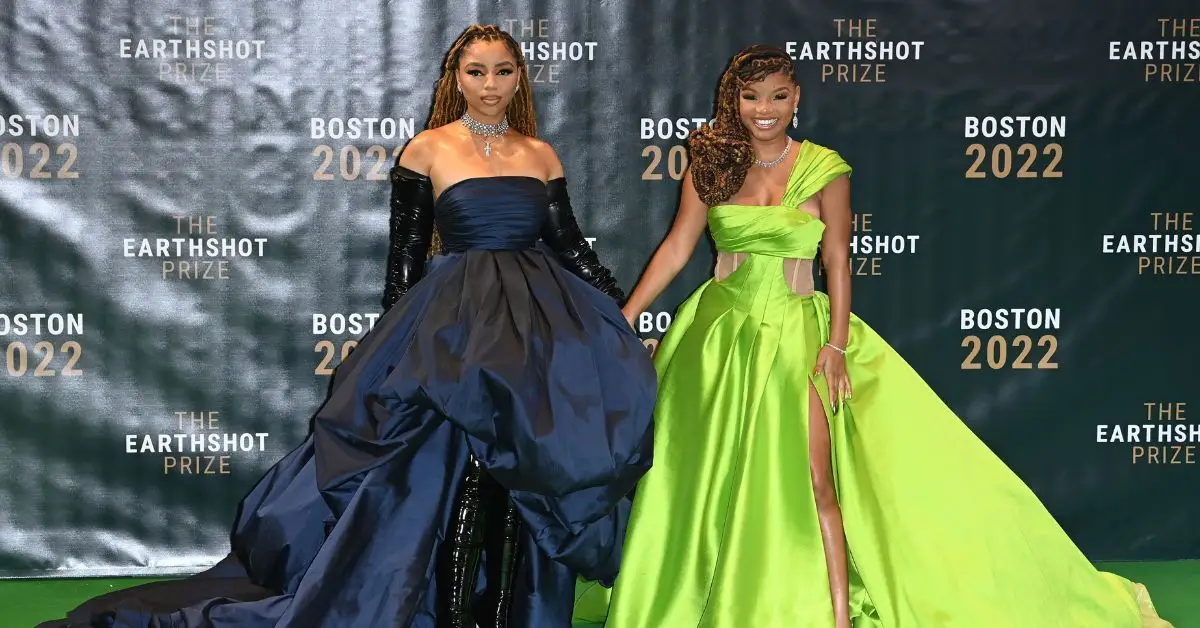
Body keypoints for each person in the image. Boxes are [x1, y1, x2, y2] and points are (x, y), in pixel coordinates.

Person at [41, 24, 656, 628]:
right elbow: (405, 263)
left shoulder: (540, 154)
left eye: (503, 70)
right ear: (456, 78)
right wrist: (399, 350)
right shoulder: (428, 149)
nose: (490, 84)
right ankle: (456, 617)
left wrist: (624, 317)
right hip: (457, 324)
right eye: (477, 71)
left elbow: (572, 248)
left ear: (519, 75)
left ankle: (501, 616)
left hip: (536, 327)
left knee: (520, 474)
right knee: (473, 467)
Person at [574, 44, 1173, 628]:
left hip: (794, 335)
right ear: (733, 99)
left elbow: (838, 262)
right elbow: (680, 245)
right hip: (716, 338)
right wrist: (628, 314)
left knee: (815, 477)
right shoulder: (712, 165)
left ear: (796, 97)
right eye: (751, 96)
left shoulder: (824, 168)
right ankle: (703, 601)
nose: (765, 109)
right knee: (704, 476)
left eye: (778, 96)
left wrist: (833, 346)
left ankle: (835, 615)